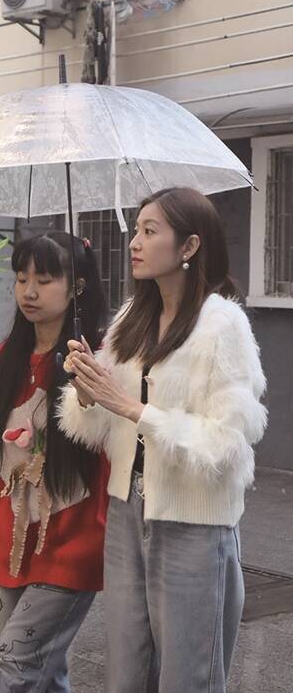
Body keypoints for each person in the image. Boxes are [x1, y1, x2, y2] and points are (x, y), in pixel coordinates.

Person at [59, 187, 267, 693]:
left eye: (150, 231)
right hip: (127, 514)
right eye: (136, 230)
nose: (135, 242)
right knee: (124, 674)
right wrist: (87, 391)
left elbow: (228, 445)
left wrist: (137, 409)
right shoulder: (132, 318)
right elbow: (98, 423)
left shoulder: (222, 325)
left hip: (194, 525)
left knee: (187, 678)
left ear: (189, 246)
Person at [0, 231, 110, 692]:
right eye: (22, 278)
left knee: (14, 670)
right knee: (42, 675)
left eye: (44, 279)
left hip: (71, 546)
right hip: (11, 544)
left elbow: (112, 457)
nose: (29, 291)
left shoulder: (98, 361)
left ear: (77, 285)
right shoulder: (3, 363)